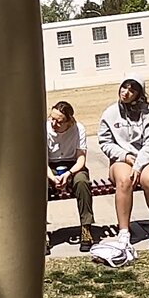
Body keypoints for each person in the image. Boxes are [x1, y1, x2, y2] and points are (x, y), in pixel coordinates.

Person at [99, 74, 149, 249]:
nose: (126, 92)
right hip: (121, 158)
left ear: (139, 94)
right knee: (125, 180)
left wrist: (138, 164)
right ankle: (124, 231)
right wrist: (125, 156)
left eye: (132, 89)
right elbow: (105, 142)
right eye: (124, 87)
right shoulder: (110, 113)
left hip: (147, 158)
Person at [46, 102, 95, 253]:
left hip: (72, 165)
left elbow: (81, 158)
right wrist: (53, 178)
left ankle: (86, 228)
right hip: (50, 166)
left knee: (82, 182)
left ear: (69, 121)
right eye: (52, 118)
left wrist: (69, 174)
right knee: (37, 186)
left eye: (59, 121)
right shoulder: (44, 128)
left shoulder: (78, 129)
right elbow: (41, 160)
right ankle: (41, 232)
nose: (54, 123)